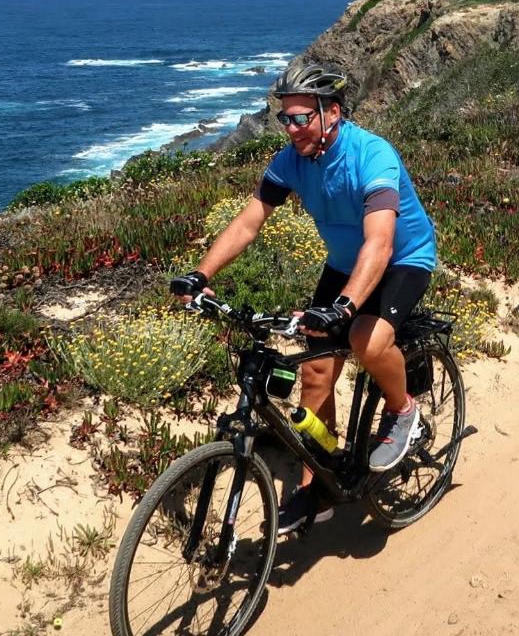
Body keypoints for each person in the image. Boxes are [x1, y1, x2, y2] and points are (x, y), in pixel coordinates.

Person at [170, 62, 438, 534]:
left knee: (365, 339)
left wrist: (346, 306)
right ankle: (320, 487)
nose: (292, 128)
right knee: (315, 371)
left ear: (332, 112)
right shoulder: (290, 161)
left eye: (301, 118)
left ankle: (404, 411)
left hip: (401, 258)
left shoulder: (372, 155)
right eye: (285, 119)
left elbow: (379, 243)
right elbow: (249, 221)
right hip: (343, 264)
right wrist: (200, 273)